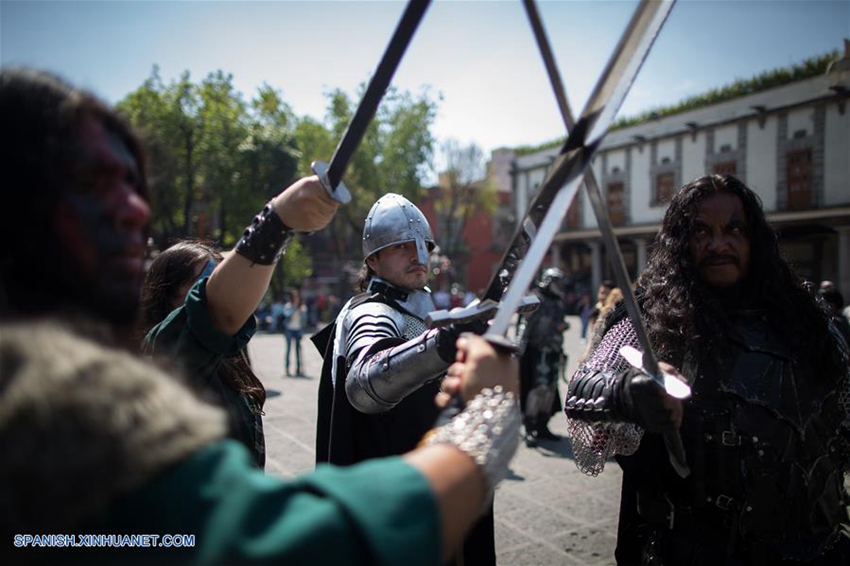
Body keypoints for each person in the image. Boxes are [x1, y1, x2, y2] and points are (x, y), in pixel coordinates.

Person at [0, 67, 522, 564]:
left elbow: (212, 315)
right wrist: (483, 424)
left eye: (132, 185)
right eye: (95, 183)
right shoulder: (49, 412)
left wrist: (277, 220)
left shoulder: (155, 352)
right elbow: (293, 537)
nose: (136, 208)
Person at [563, 174, 850, 565]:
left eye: (734, 229)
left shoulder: (805, 318)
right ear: (680, 241)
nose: (719, 244)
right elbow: (584, 387)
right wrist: (630, 392)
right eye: (701, 231)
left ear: (754, 239)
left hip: (811, 545)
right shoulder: (651, 316)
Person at [314, 193, 496, 564]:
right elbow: (365, 384)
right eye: (401, 246)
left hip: (428, 473)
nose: (418, 256)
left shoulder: (420, 302)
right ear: (373, 259)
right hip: (390, 484)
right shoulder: (373, 312)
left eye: (423, 246)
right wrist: (443, 343)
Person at [138, 241, 268, 468]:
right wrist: (276, 223)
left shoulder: (224, 352)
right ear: (169, 296)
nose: (220, 289)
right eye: (206, 280)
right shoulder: (164, 347)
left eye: (220, 275)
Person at [516, 267, 571, 444]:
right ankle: (529, 427)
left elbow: (557, 322)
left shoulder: (558, 301)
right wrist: (519, 347)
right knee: (537, 389)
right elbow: (525, 323)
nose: (559, 286)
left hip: (553, 350)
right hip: (537, 350)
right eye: (557, 282)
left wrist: (562, 326)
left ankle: (542, 425)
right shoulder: (535, 298)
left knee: (549, 389)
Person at [283, 289, 307, 376]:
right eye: (295, 297)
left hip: (298, 330)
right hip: (289, 330)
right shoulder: (288, 306)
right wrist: (294, 308)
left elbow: (304, 321)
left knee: (298, 350)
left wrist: (301, 312)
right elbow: (286, 315)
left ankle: (298, 369)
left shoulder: (302, 307)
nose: (297, 299)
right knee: (289, 349)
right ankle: (287, 368)